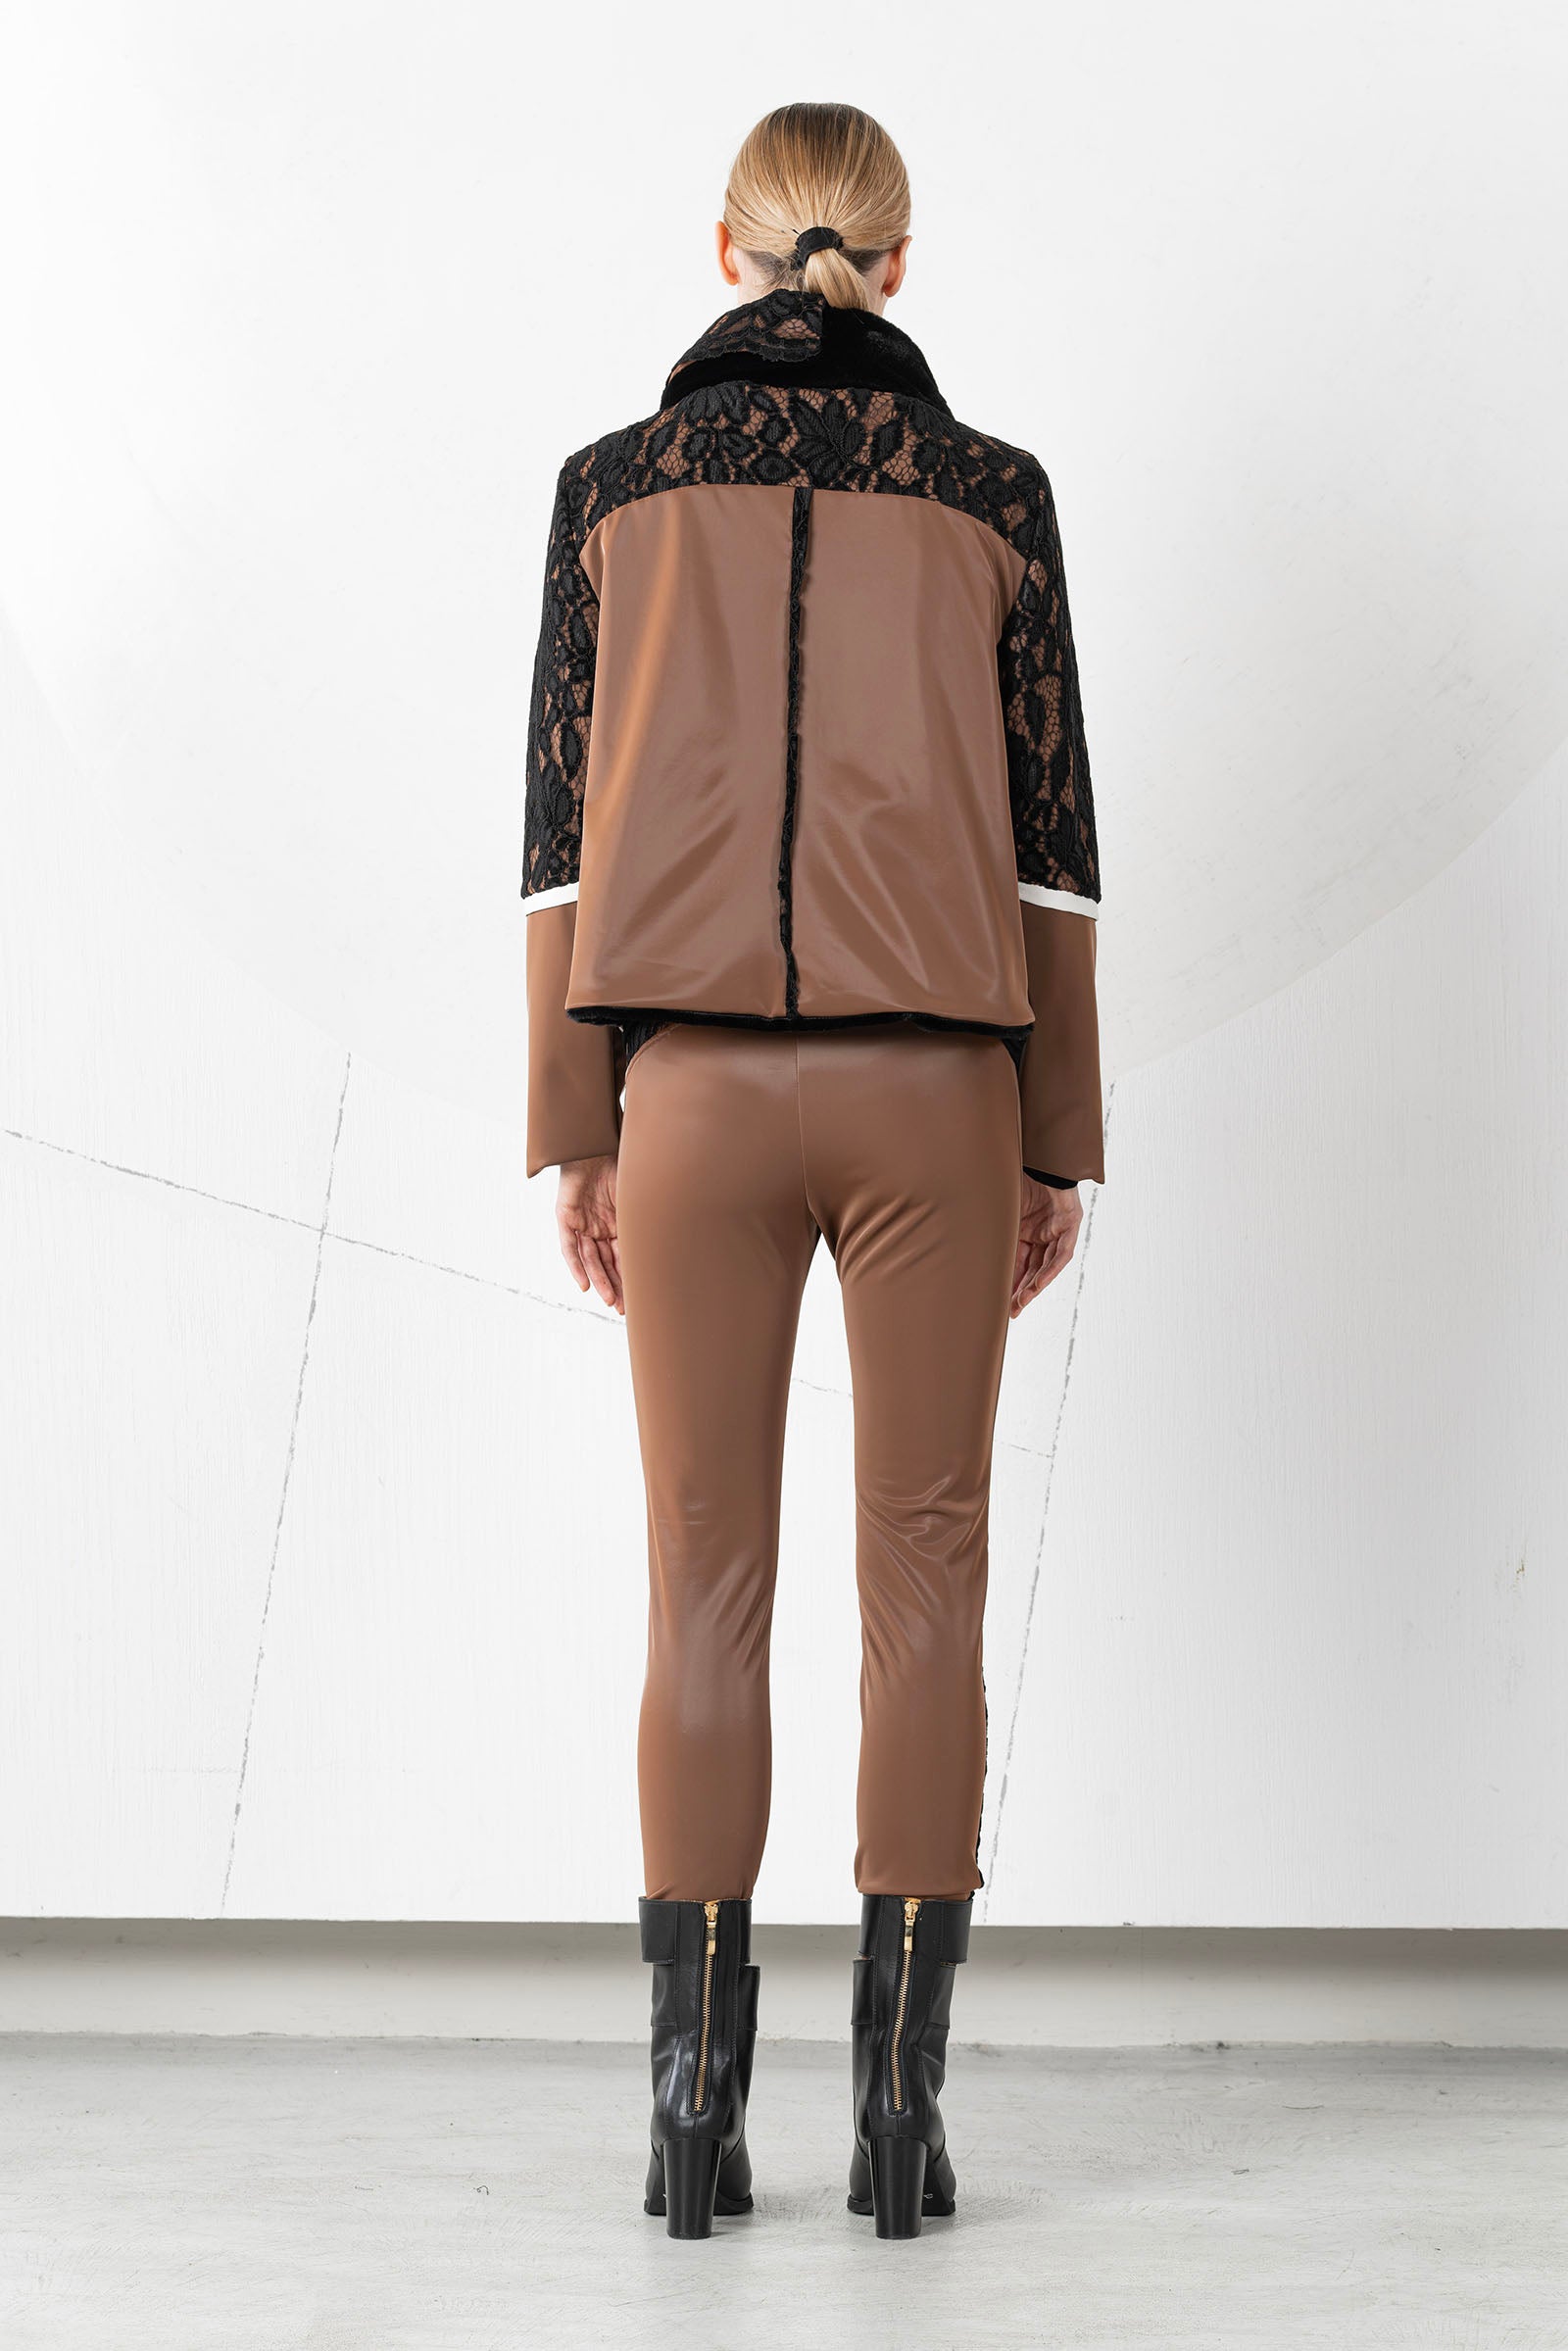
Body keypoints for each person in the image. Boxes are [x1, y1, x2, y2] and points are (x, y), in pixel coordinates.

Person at [520, 101, 1103, 2240]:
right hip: (940, 1084)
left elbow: (558, 836)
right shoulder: (991, 495)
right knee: (926, 1574)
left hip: (683, 1087)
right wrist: (1057, 1140)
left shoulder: (612, 490)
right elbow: (1055, 842)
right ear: (898, 262)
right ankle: (895, 2123)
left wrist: (577, 1125)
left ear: (726, 249)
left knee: (700, 1581)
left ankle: (690, 2125)